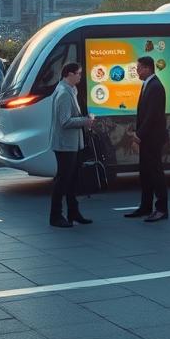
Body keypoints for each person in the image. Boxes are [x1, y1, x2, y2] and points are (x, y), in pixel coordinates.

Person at [48, 62, 95, 228]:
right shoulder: (64, 93)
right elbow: (65, 121)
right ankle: (56, 216)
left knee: (71, 179)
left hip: (71, 144)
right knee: (63, 179)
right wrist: (86, 121)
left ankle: (73, 212)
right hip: (64, 145)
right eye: (79, 73)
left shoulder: (70, 90)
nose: (80, 76)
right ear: (69, 74)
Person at [125, 55, 169, 222]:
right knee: (145, 173)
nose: (136, 72)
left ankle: (162, 209)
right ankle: (145, 206)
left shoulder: (156, 86)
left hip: (152, 138)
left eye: (138, 69)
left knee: (156, 173)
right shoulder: (147, 85)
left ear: (147, 68)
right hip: (147, 138)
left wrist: (138, 134)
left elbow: (152, 115)